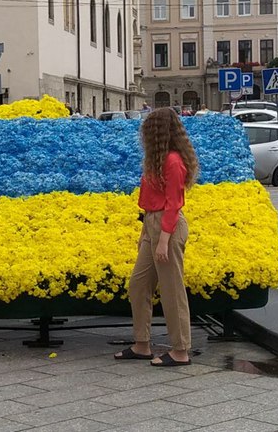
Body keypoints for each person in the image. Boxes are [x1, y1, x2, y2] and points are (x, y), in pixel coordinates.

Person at [114, 107, 200, 367]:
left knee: (172, 290)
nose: (144, 135)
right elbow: (152, 202)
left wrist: (163, 239)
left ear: (158, 133)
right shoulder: (159, 160)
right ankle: (142, 344)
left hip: (168, 226)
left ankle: (181, 350)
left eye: (148, 130)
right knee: (139, 284)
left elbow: (174, 204)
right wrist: (146, 234)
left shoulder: (172, 161)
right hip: (153, 223)